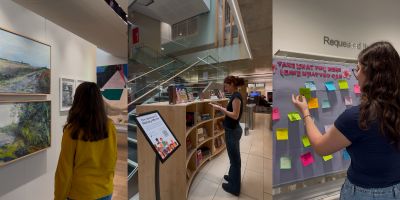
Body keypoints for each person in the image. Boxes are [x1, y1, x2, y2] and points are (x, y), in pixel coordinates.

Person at [292, 41, 400, 199]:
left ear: (370, 73)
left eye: (358, 69)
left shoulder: (358, 117)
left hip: (364, 193)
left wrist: (305, 113)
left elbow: (321, 147)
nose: (355, 75)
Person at [54, 82, 117, 200]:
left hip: (80, 193)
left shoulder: (72, 131)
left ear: (78, 101)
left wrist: (59, 197)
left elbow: (64, 171)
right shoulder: (110, 126)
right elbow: (112, 159)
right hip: (105, 190)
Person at [209, 75, 244, 196]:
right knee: (233, 158)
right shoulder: (234, 96)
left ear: (232, 84)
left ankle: (234, 187)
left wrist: (220, 108)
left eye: (226, 86)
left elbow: (235, 115)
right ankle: (232, 178)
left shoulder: (236, 97)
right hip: (232, 130)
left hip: (233, 131)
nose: (225, 88)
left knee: (235, 160)